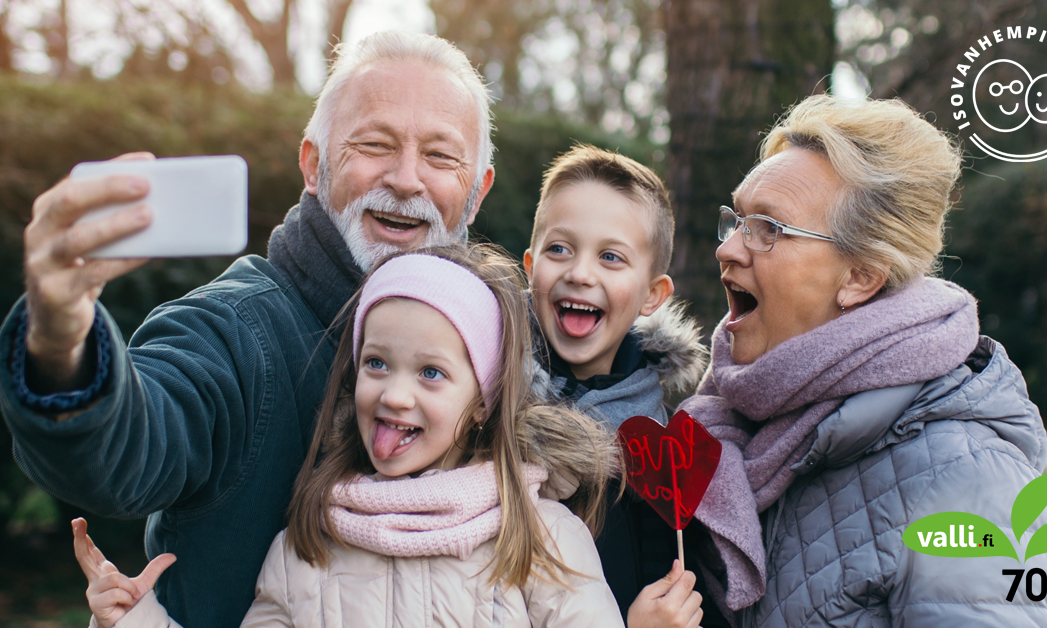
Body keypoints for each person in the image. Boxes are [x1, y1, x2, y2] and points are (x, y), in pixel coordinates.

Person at [0, 31, 496, 627]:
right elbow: (124, 450)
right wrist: (58, 341)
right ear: (314, 164)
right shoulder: (232, 331)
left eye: (440, 155)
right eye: (376, 144)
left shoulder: (509, 350)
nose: (407, 179)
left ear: (476, 193)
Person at [72, 244, 631, 627]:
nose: (394, 395)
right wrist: (133, 617)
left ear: (483, 400)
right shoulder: (305, 546)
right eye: (377, 364)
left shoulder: (541, 538)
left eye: (431, 373)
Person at [680, 94, 1047, 626]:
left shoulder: (972, 483)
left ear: (861, 277)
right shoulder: (722, 423)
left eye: (769, 228)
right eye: (738, 219)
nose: (728, 249)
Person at [522, 145, 715, 625]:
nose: (580, 273)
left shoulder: (661, 459)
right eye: (559, 249)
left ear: (653, 294)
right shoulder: (482, 410)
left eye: (611, 257)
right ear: (530, 266)